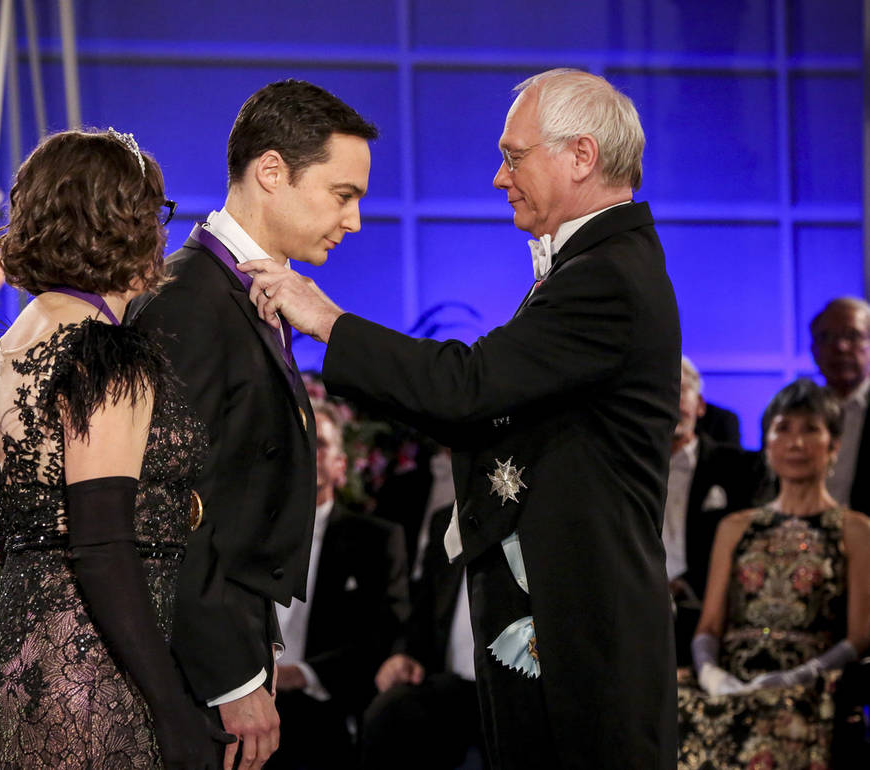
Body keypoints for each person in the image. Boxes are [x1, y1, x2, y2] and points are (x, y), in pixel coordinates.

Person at [242, 67, 679, 769]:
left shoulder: (607, 277)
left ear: (581, 156)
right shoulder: (598, 267)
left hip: (583, 637)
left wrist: (325, 318)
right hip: (559, 633)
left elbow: (469, 387)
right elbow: (473, 411)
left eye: (514, 154)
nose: (500, 176)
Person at [128, 79, 378, 770]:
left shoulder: (245, 293)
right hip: (194, 675)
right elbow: (162, 507)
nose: (355, 220)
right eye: (343, 194)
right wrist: (231, 679)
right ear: (272, 172)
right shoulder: (189, 303)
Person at [0, 129, 229, 767]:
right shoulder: (103, 354)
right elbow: (104, 546)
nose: (161, 233)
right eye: (154, 213)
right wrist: (174, 712)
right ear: (119, 223)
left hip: (14, 666)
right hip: (93, 680)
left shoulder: (13, 345)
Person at [678, 379, 870, 769]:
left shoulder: (855, 528)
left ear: (833, 445)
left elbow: (860, 636)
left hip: (812, 683)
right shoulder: (736, 526)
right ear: (767, 443)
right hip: (734, 674)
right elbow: (710, 625)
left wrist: (801, 675)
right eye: (784, 429)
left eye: (810, 430)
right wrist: (713, 675)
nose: (796, 443)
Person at [268, 402, 409, 770]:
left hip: (325, 709)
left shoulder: (377, 540)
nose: (309, 449)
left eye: (322, 443)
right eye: (300, 439)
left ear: (340, 467)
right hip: (245, 699)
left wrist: (303, 675)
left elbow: (382, 634)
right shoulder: (250, 539)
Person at [361, 502, 485, 770]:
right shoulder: (446, 519)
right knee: (388, 714)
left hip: (516, 687)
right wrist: (404, 655)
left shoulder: (539, 515)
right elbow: (424, 609)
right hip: (453, 686)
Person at [666, 356, 766, 665]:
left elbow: (752, 544)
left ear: (700, 405)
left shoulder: (740, 468)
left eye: (680, 390)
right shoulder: (622, 472)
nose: (670, 401)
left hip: (710, 614)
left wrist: (685, 585)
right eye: (659, 391)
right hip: (635, 614)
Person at [811, 296, 870, 512]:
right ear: (814, 350)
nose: (840, 346)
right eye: (826, 337)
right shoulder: (795, 411)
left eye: (853, 335)